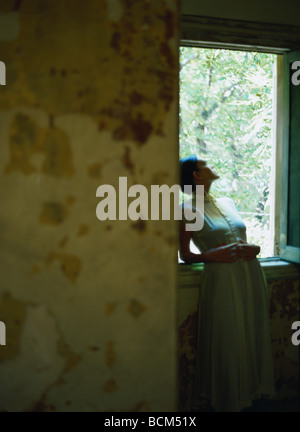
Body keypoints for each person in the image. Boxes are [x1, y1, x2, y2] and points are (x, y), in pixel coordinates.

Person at [179, 155, 275, 412]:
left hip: (249, 275)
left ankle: (253, 393)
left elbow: (243, 237)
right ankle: (228, 399)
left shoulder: (228, 202)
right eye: (204, 164)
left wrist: (255, 247)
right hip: (221, 278)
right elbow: (185, 254)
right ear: (195, 176)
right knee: (227, 335)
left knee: (250, 329)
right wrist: (208, 256)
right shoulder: (187, 209)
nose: (211, 164)